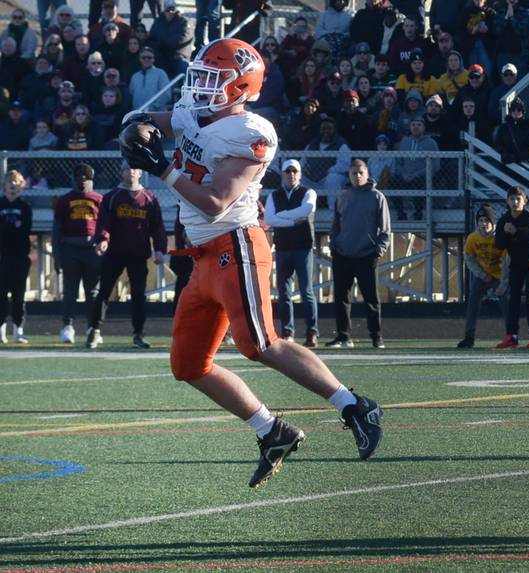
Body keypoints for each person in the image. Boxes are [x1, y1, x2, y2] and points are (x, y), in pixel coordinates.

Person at [120, 39, 384, 488]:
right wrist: (139, 128)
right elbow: (152, 124)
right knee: (188, 365)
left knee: (259, 343)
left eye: (211, 79)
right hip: (202, 256)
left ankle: (354, 406)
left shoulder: (251, 131)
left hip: (236, 244)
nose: (200, 87)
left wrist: (161, 168)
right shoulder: (196, 112)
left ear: (240, 87)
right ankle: (271, 430)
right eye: (199, 76)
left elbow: (216, 200)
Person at [87, 163, 167, 350]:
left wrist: (159, 249)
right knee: (104, 292)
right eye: (126, 169)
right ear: (121, 172)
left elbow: (157, 227)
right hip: (115, 253)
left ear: (140, 172)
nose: (130, 172)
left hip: (138, 254)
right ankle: (95, 330)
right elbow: (104, 222)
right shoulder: (112, 197)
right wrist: (103, 239)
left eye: (134, 168)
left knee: (138, 295)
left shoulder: (149, 198)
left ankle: (138, 334)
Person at [326, 159, 391, 349]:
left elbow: (385, 229)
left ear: (367, 173)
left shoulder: (377, 197)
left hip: (366, 255)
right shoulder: (343, 196)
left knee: (371, 299)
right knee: (341, 298)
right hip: (343, 255)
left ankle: (376, 337)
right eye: (354, 173)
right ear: (349, 174)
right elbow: (335, 225)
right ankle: (343, 336)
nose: (357, 176)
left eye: (361, 173)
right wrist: (334, 245)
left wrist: (377, 251)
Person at [263, 159, 319, 348]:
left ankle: (312, 332)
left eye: (295, 171)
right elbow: (269, 219)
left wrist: (282, 216)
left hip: (303, 247)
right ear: (282, 174)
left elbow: (307, 210)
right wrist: (292, 220)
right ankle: (288, 332)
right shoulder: (274, 195)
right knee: (284, 293)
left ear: (300, 174)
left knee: (307, 291)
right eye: (288, 171)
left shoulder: (308, 192)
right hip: (283, 247)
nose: (291, 174)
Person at [52, 164, 103, 345]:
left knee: (93, 292)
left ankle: (93, 327)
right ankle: (67, 326)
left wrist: (104, 243)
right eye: (79, 176)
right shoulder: (64, 200)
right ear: (73, 179)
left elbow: (105, 227)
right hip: (70, 248)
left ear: (91, 179)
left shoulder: (99, 199)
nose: (82, 180)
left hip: (92, 250)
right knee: (70, 291)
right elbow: (56, 230)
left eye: (86, 177)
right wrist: (56, 255)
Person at [495, 186, 529, 350]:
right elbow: (499, 245)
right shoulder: (504, 220)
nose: (515, 202)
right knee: (513, 300)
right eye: (512, 199)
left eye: (518, 199)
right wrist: (505, 233)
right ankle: (512, 336)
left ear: (525, 201)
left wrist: (515, 232)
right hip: (515, 264)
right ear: (507, 201)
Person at [457, 204, 508, 349]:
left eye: (486, 220)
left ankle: (511, 335)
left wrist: (503, 283)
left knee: (506, 303)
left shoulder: (500, 237)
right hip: (482, 274)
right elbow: (469, 259)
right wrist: (481, 274)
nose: (483, 224)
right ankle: (469, 337)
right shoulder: (473, 238)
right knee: (472, 303)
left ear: (493, 222)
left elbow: (506, 261)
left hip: (499, 275)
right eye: (480, 221)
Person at [0, 170, 32, 344]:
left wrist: (8, 227)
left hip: (20, 257)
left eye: (17, 181)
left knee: (19, 295)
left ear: (22, 186)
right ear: (5, 184)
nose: (13, 184)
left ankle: (18, 330)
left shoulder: (25, 207)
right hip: (3, 256)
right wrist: (12, 227)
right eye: (10, 181)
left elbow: (24, 229)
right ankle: (1, 329)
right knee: (1, 294)